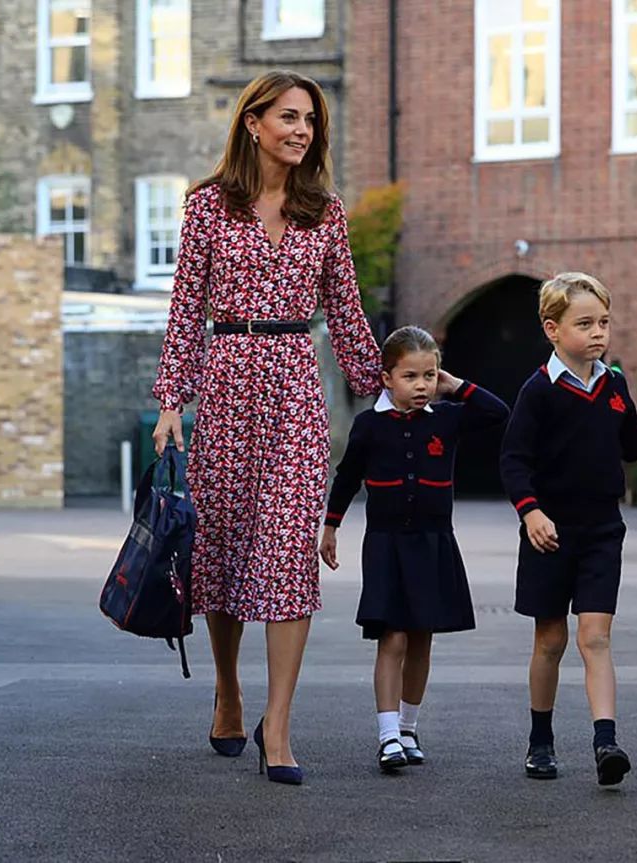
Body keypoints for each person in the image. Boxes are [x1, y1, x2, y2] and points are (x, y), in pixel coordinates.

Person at [151, 70, 382, 785]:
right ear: (252, 122)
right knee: (219, 555)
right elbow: (186, 308)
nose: (302, 130)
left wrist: (393, 386)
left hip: (294, 392)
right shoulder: (207, 208)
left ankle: (276, 725)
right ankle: (228, 689)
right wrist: (170, 400)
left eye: (310, 120)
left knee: (285, 555)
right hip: (225, 382)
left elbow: (345, 313)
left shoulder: (326, 212)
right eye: (288, 116)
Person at [500, 272, 637, 786]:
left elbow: (630, 445)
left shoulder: (615, 384)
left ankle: (606, 742)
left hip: (603, 530)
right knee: (551, 640)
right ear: (552, 329)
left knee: (595, 638)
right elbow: (513, 461)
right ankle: (541, 739)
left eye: (604, 321)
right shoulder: (538, 391)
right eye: (585, 323)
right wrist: (531, 512)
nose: (598, 332)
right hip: (549, 533)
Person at [319, 326, 509, 772]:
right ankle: (387, 735)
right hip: (386, 544)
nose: (422, 385)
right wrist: (330, 528)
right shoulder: (369, 425)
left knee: (422, 637)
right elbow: (346, 478)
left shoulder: (446, 418)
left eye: (429, 375)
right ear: (387, 378)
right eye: (411, 376)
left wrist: (455, 386)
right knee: (394, 636)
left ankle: (408, 728)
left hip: (433, 542)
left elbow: (497, 411)